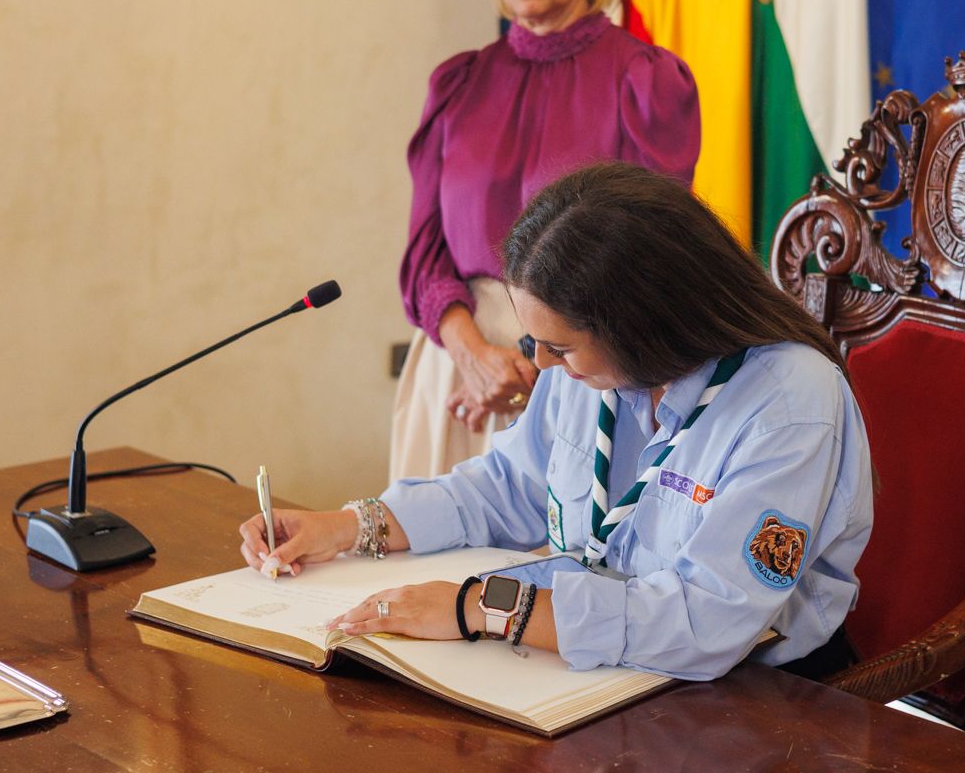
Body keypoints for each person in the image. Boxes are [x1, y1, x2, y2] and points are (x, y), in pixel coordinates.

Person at [242, 162, 874, 682]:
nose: (540, 365)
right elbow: (506, 488)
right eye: (534, 342)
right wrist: (350, 526)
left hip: (757, 694)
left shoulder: (789, 405)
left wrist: (480, 610)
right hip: (594, 668)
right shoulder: (593, 372)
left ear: (645, 325)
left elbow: (706, 625)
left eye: (561, 347)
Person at [392, 0, 700, 482]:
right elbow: (425, 255)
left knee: (545, 580)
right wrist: (474, 355)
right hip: (457, 376)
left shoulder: (646, 81)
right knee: (422, 566)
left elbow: (649, 261)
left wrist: (541, 359)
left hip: (585, 375)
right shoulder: (457, 84)